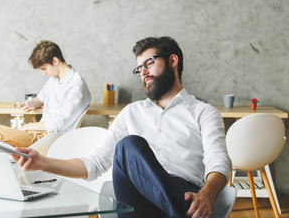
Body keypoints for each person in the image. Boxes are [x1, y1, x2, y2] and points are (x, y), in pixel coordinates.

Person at [12, 37, 232, 218]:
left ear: (173, 61)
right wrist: (42, 162)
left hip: (185, 193)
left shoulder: (204, 112)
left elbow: (219, 162)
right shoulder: (131, 113)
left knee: (130, 147)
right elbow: (94, 164)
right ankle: (179, 214)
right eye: (139, 68)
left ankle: (178, 209)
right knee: (129, 145)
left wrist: (206, 195)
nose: (143, 72)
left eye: (149, 63)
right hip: (139, 200)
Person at [0, 40, 92, 151]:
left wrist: (28, 127)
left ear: (55, 61)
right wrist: (31, 103)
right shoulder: (54, 79)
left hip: (49, 139)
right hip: (40, 133)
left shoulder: (76, 86)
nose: (44, 73)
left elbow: (58, 124)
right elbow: (41, 98)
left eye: (44, 68)